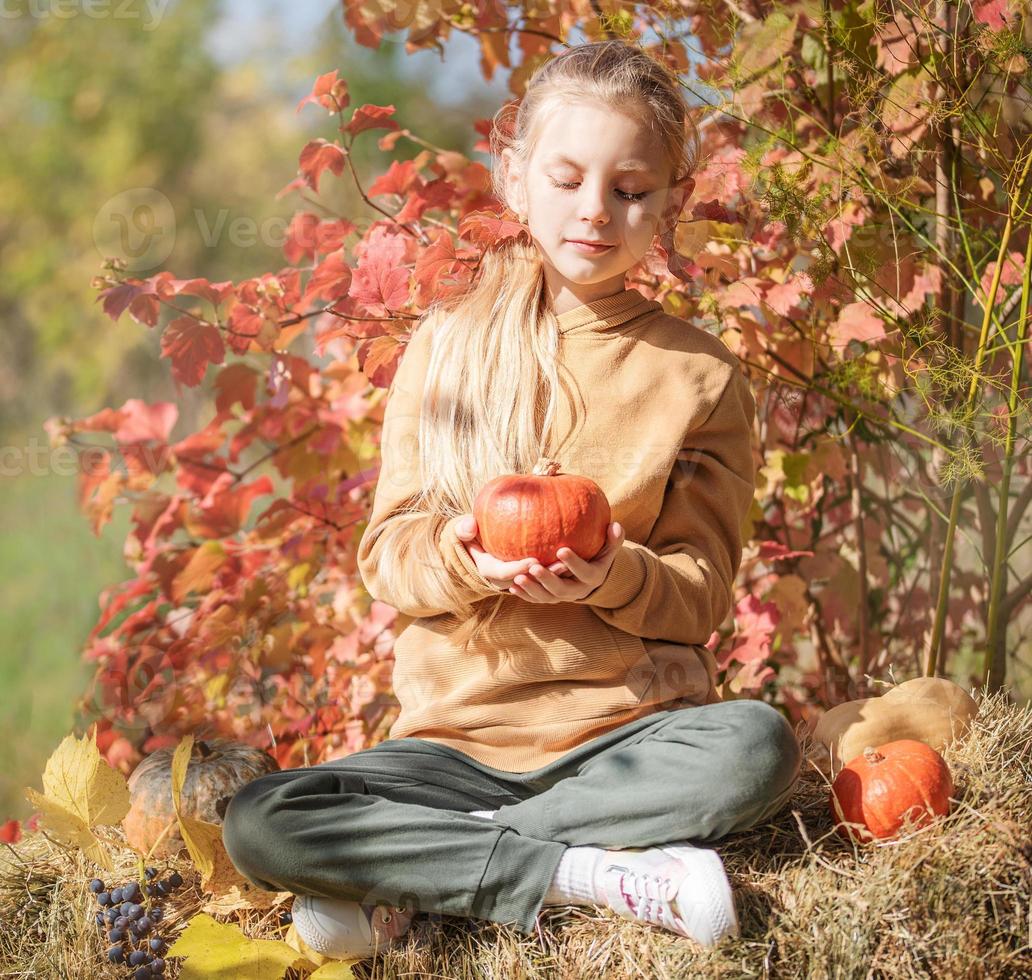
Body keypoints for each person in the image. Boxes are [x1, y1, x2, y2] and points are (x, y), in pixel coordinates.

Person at [222, 38, 801, 962]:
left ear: (672, 204)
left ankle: (437, 871)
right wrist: (457, 551)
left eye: (631, 189)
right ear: (516, 179)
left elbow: (698, 593)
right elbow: (388, 560)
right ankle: (573, 872)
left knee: (758, 748)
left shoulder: (697, 375)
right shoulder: (449, 344)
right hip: (447, 752)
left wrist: (614, 578)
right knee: (259, 820)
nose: (595, 211)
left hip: (619, 742)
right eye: (568, 179)